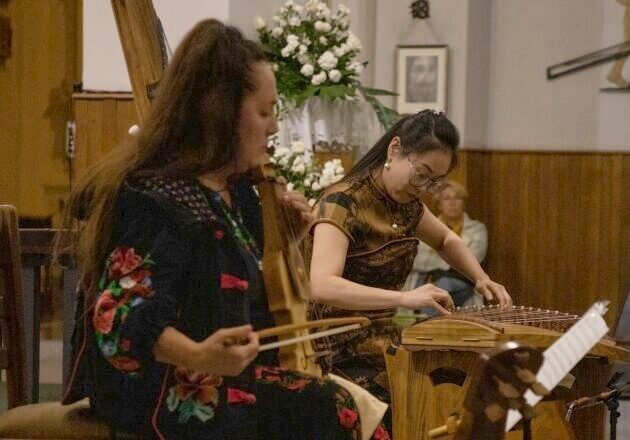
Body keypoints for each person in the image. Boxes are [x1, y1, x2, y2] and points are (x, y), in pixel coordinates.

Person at [58, 19, 388, 440]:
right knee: (333, 408)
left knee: (356, 404)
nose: (272, 128)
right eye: (264, 113)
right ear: (223, 113)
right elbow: (120, 317)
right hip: (157, 388)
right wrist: (198, 355)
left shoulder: (235, 192)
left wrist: (284, 241)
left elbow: (236, 294)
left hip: (219, 375)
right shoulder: (159, 198)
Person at [306, 109, 512, 430]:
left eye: (433, 182)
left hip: (383, 342)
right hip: (335, 349)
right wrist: (403, 299)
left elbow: (445, 239)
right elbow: (321, 284)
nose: (423, 187)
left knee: (458, 385)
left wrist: (481, 278)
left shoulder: (408, 205)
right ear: (395, 149)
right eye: (422, 173)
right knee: (423, 404)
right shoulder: (343, 201)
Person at [403, 180, 488, 312]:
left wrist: (436, 260)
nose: (452, 202)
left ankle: (428, 326)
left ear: (463, 203)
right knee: (430, 289)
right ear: (439, 204)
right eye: (446, 198)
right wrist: (451, 260)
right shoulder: (424, 226)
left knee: (440, 287)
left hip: (460, 280)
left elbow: (475, 258)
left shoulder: (477, 229)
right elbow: (414, 259)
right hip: (424, 279)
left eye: (457, 198)